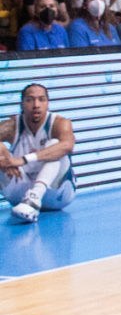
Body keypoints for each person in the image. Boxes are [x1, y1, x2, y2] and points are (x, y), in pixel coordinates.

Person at [0, 84, 77, 220]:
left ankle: (35, 197)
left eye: (41, 99)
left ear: (47, 104)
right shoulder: (12, 125)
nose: (36, 105)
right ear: (22, 104)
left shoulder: (59, 123)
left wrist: (23, 159)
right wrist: (3, 155)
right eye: (30, 100)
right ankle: (29, 203)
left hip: (56, 194)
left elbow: (68, 146)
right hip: (20, 196)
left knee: (56, 145)